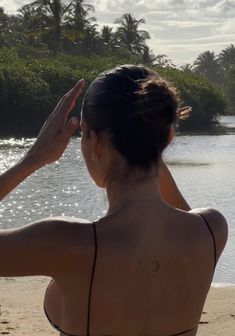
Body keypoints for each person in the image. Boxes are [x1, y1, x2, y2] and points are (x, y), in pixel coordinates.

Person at [0, 65, 227, 336]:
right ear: (167, 138)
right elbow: (180, 218)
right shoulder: (211, 231)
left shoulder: (69, 243)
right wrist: (151, 147)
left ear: (95, 142)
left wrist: (32, 159)